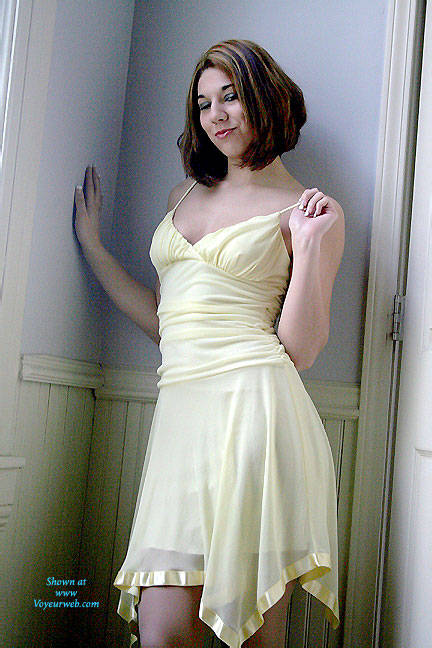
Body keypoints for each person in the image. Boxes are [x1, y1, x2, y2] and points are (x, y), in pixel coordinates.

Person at [74, 39, 344, 648]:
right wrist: (94, 249)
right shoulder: (184, 196)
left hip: (256, 417)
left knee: (255, 631)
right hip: (181, 421)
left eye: (231, 96)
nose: (215, 115)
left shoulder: (307, 210)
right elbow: (166, 323)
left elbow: (300, 350)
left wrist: (308, 246)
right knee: (163, 631)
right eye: (203, 103)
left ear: (266, 100)